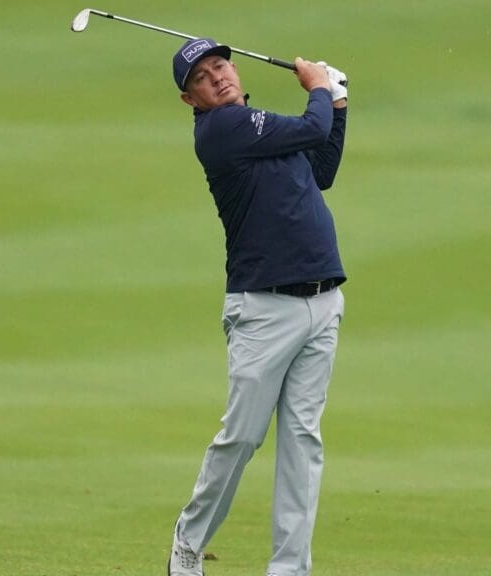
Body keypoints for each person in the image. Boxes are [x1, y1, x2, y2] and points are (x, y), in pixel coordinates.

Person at [166, 37, 349, 576]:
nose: (217, 77)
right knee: (243, 436)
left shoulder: (263, 130)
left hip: (323, 300)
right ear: (190, 100)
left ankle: (289, 569)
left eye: (220, 65)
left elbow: (322, 169)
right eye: (201, 76)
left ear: (235, 68)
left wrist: (337, 104)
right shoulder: (221, 131)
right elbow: (310, 129)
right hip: (264, 309)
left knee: (302, 442)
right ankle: (188, 541)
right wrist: (318, 86)